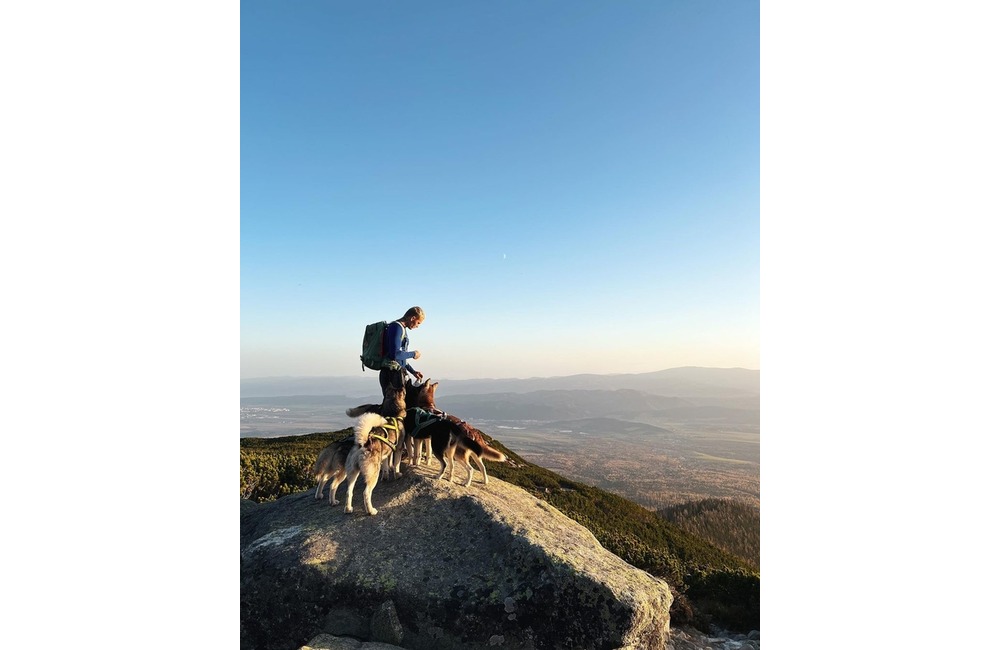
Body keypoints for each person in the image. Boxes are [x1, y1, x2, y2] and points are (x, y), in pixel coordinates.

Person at [380, 306, 425, 397]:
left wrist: (413, 371)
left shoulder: (400, 328)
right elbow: (395, 354)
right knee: (396, 407)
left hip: (395, 373)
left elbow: (398, 358)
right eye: (418, 323)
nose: (417, 326)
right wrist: (414, 354)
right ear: (412, 318)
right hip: (392, 375)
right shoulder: (396, 328)